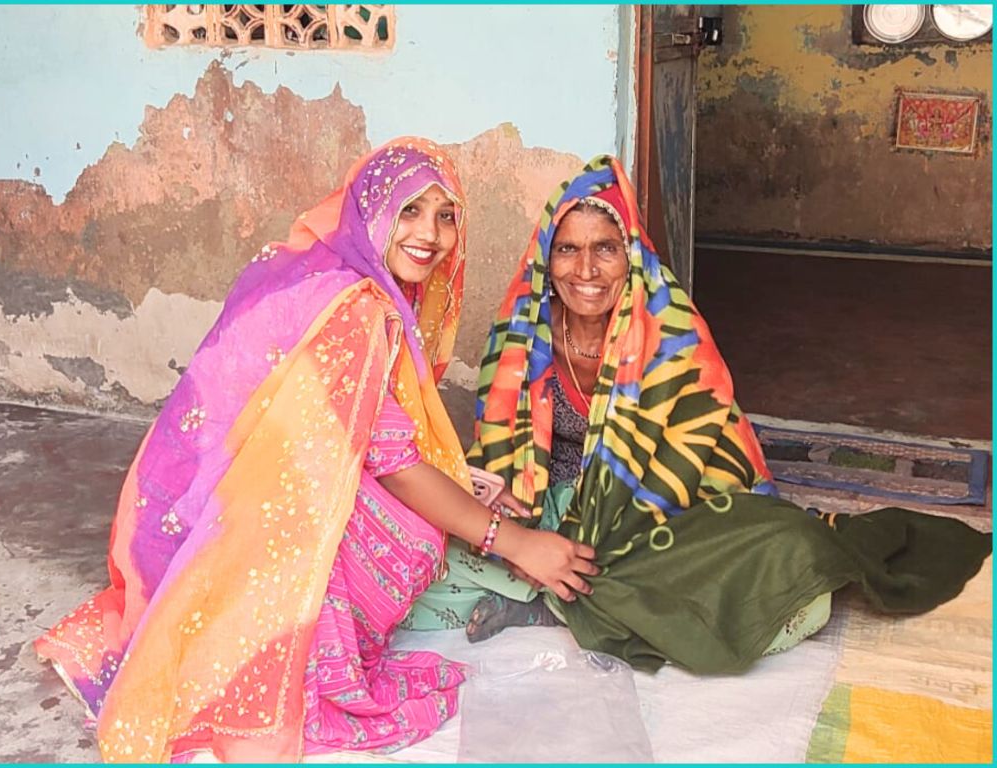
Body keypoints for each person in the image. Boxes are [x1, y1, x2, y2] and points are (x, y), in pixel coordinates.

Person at [34, 138, 596, 763]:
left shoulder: (330, 275)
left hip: (203, 505)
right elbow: (392, 463)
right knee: (415, 530)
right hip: (246, 521)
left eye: (445, 215)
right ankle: (310, 648)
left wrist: (454, 472)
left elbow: (344, 426)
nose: (430, 234)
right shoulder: (354, 309)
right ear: (370, 211)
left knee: (443, 498)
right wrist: (510, 541)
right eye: (409, 211)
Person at [407, 154, 991, 676]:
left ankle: (546, 602)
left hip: (658, 519)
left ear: (630, 253)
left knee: (800, 589)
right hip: (544, 510)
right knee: (416, 557)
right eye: (568, 248)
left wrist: (596, 536)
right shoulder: (522, 335)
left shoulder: (671, 332)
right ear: (547, 255)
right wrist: (514, 520)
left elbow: (686, 469)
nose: (585, 270)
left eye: (605, 248)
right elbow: (496, 455)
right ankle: (571, 598)